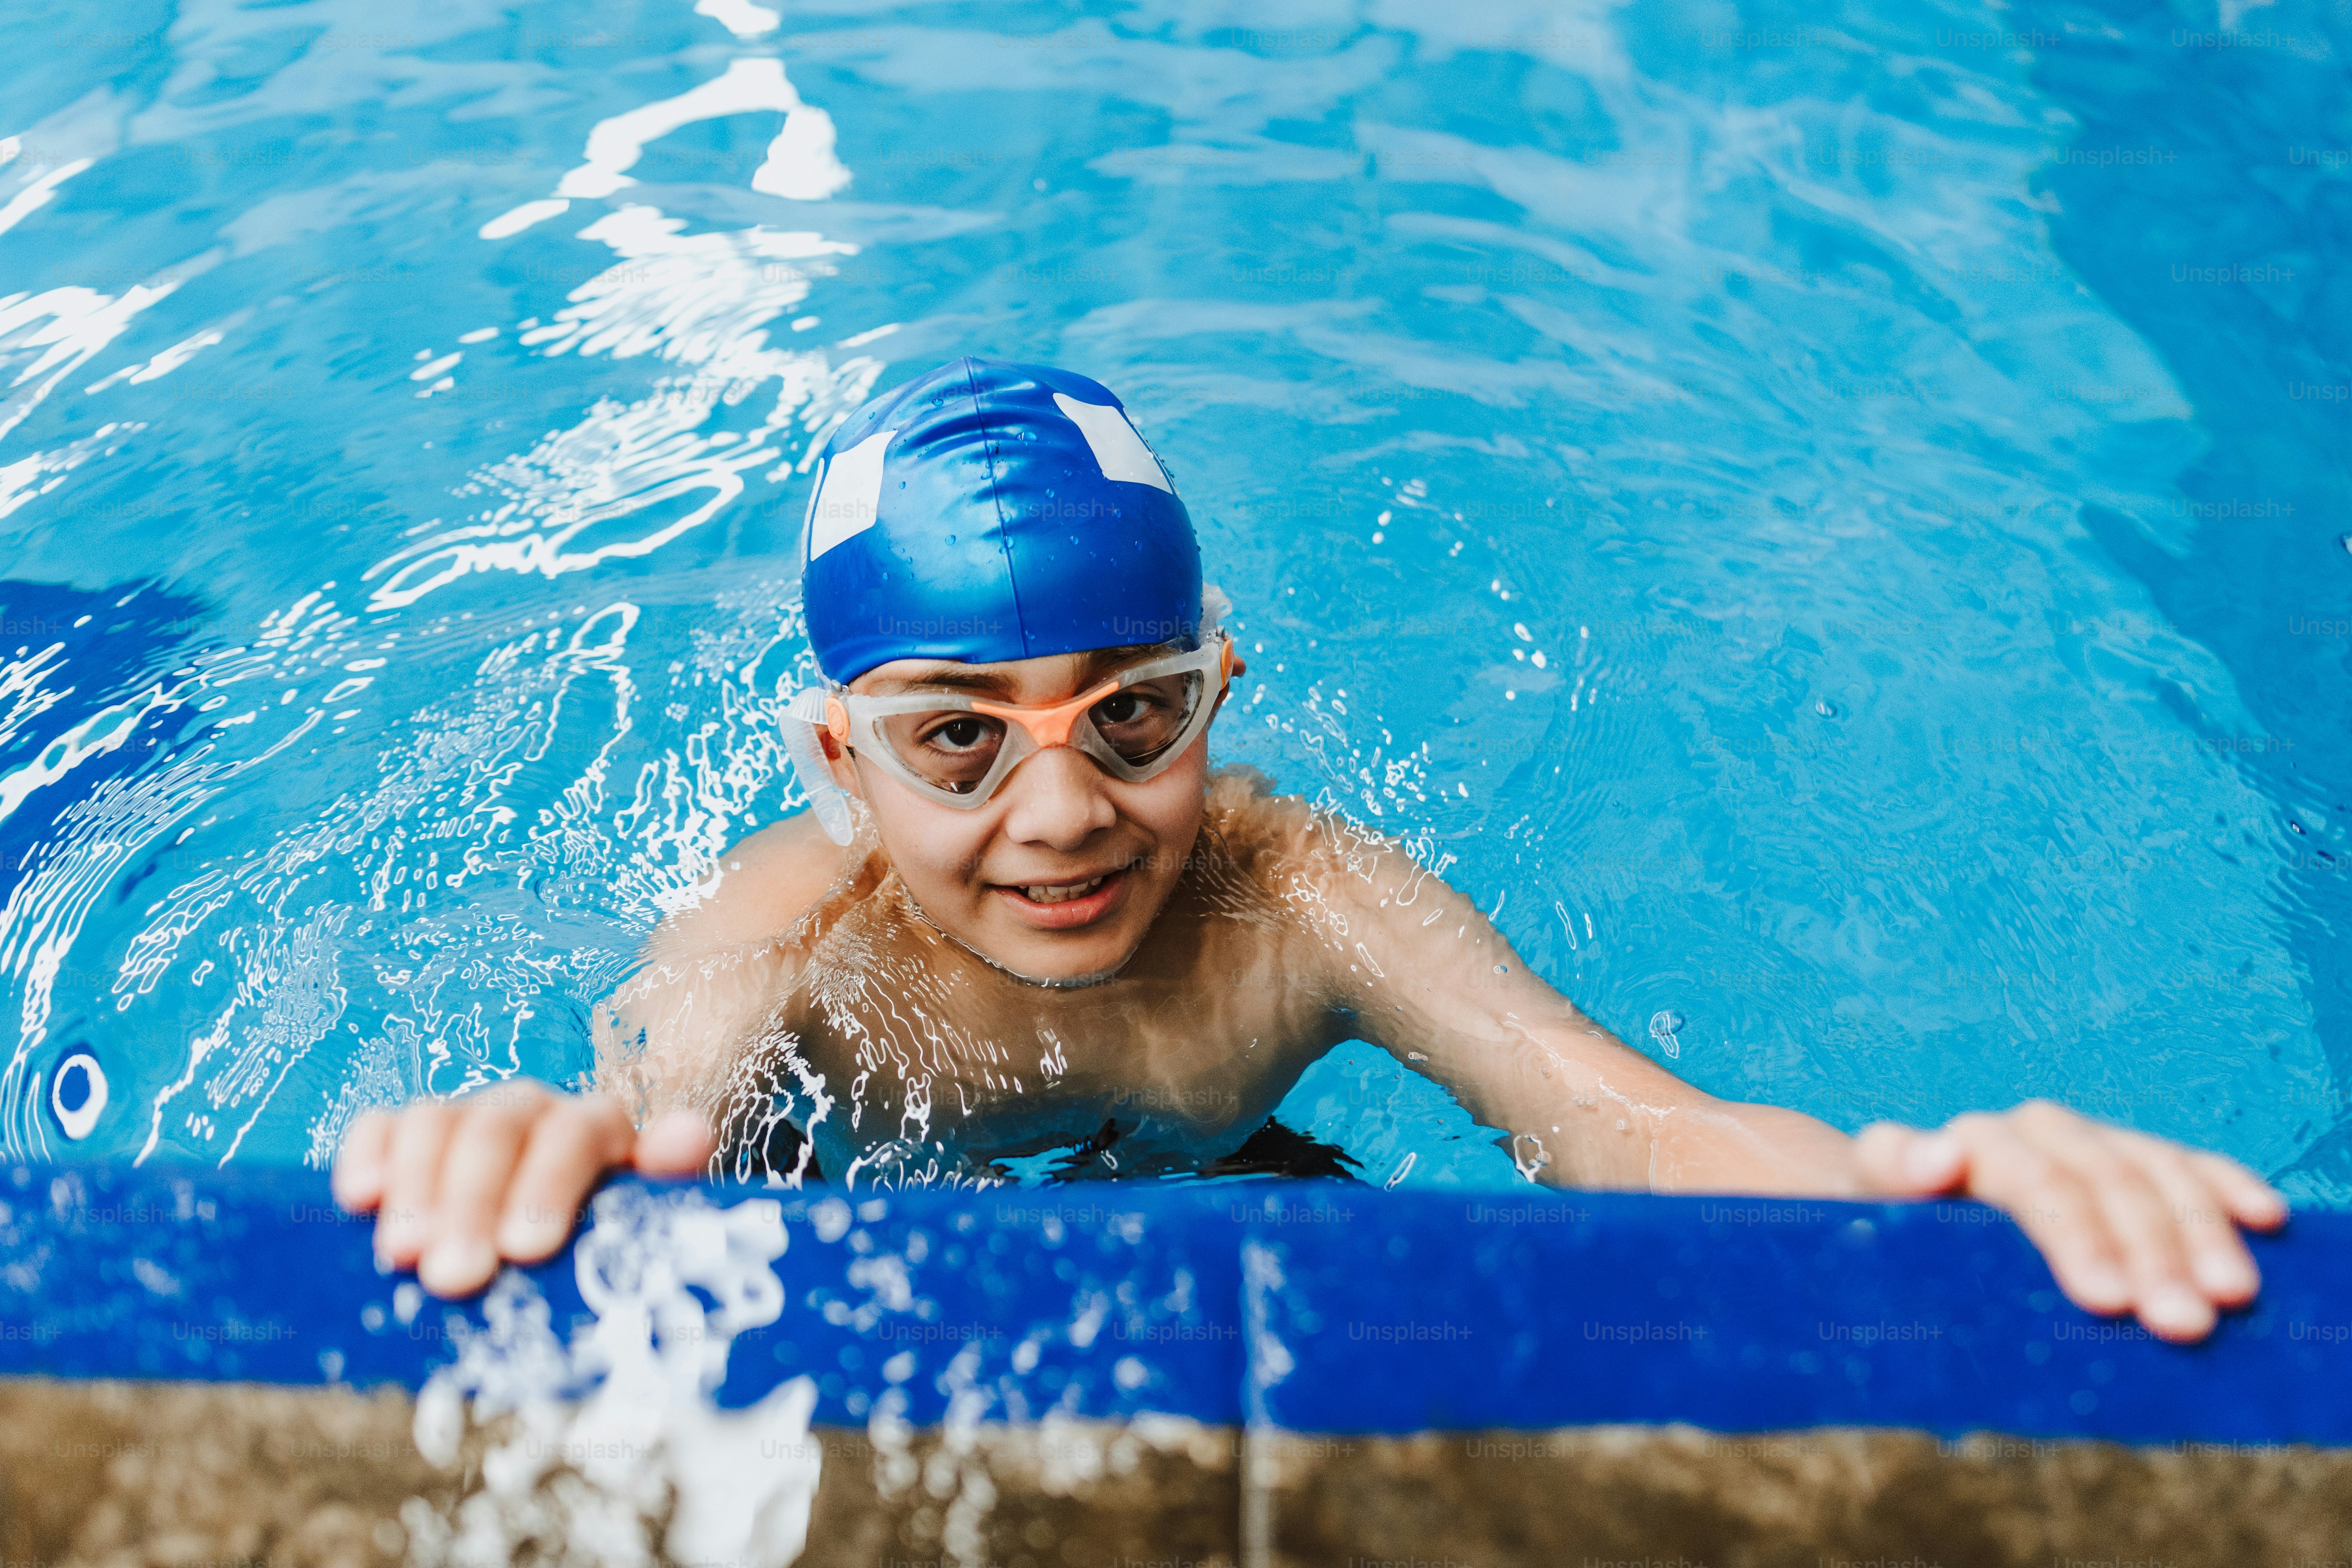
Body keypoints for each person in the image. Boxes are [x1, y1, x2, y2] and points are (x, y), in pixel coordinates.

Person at [335, 356, 2286, 1342]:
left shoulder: (1302, 906)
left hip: (1238, 1184)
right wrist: (562, 1164)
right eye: (955, 741)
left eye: (1136, 714)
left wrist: (1911, 1197)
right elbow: (656, 1105)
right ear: (837, 759)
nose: (1065, 811)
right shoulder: (794, 938)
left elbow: (1619, 1122)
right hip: (869, 1207)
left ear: (1222, 691)